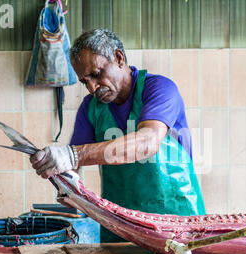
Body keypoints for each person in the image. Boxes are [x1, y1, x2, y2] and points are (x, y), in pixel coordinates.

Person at [30, 29, 206, 242]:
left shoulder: (159, 89)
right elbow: (70, 168)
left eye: (96, 74)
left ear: (118, 58)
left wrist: (73, 155)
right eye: (85, 82)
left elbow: (147, 143)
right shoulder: (90, 108)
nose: (92, 87)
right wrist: (59, 177)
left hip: (176, 224)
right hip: (120, 229)